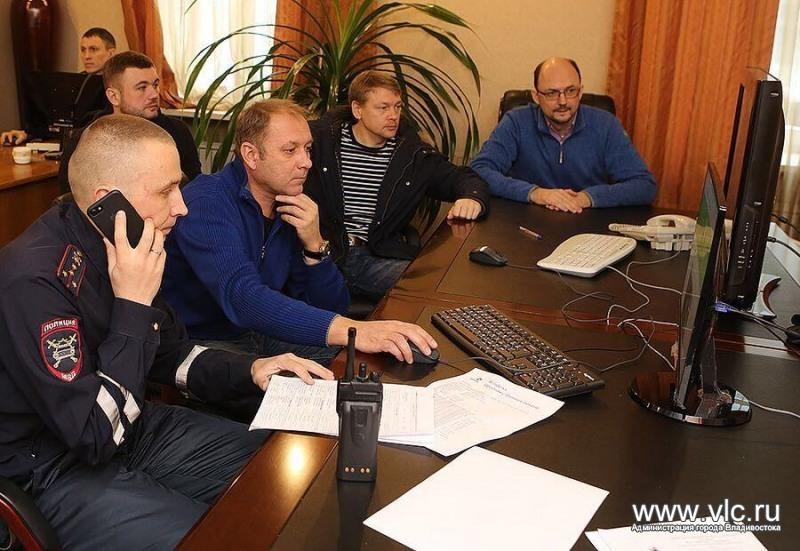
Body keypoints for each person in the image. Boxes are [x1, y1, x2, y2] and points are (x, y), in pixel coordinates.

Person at [0, 114, 333, 549]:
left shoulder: (130, 244)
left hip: (132, 424)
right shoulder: (35, 279)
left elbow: (169, 353)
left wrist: (249, 370)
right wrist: (133, 306)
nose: (182, 206)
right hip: (52, 466)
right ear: (108, 201)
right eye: (165, 191)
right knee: (226, 538)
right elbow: (94, 434)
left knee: (285, 475)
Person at [163, 99, 439, 365]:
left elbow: (333, 307)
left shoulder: (291, 203)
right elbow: (243, 298)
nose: (306, 162)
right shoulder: (206, 201)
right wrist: (355, 330)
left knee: (367, 360)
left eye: (307, 149)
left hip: (260, 333)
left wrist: (314, 246)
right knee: (332, 371)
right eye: (290, 150)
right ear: (251, 155)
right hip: (205, 343)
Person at [304, 71, 491, 302]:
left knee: (446, 283)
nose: (393, 116)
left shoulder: (411, 155)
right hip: (322, 253)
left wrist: (472, 197)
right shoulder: (319, 142)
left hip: (376, 256)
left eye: (397, 107)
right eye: (383, 108)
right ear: (357, 110)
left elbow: (465, 178)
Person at [470, 57, 657, 213]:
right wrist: (536, 193)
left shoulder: (606, 125)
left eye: (570, 91)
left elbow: (644, 186)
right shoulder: (516, 122)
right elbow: (479, 170)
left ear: (580, 92)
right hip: (527, 222)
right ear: (536, 96)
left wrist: (587, 197)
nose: (563, 101)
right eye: (552, 93)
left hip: (588, 224)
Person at [54, 50, 202, 193]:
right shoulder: (86, 142)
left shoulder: (177, 131)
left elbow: (196, 189)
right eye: (142, 88)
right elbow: (71, 200)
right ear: (114, 96)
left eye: (155, 85)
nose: (153, 94)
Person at [1, 27, 116, 146]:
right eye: (83, 50)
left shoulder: (118, 86)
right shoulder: (76, 83)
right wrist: (28, 133)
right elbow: (58, 122)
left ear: (111, 53)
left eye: (93, 49)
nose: (87, 56)